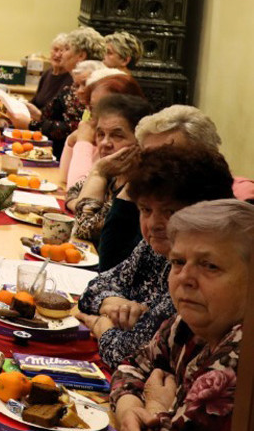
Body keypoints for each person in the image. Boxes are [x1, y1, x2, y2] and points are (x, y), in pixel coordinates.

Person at [77, 145, 234, 368]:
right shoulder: (156, 247)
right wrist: (112, 302)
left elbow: (129, 354)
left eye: (170, 212)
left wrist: (101, 325)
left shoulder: (197, 274)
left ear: (204, 212)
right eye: (146, 210)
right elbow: (96, 286)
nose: (153, 224)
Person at [110, 199, 254, 431]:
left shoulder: (243, 350)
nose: (185, 277)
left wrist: (156, 408)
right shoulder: (189, 322)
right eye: (178, 262)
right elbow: (131, 366)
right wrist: (129, 408)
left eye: (210, 266)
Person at [96, 105, 254, 270]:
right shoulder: (154, 212)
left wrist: (97, 175)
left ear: (200, 157)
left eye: (168, 155)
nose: (156, 166)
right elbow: (110, 268)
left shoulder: (217, 225)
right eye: (147, 156)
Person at [65, 94, 154, 244]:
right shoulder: (114, 173)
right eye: (100, 134)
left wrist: (98, 173)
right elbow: (73, 191)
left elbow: (85, 228)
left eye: (117, 136)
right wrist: (83, 206)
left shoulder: (138, 185)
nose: (105, 143)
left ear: (140, 141)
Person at [62, 72, 144, 188]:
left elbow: (77, 190)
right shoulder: (102, 135)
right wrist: (71, 141)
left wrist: (83, 142)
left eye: (106, 106)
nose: (97, 114)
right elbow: (65, 178)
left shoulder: (126, 146)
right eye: (92, 107)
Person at [32, 28, 106, 154]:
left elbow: (72, 128)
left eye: (66, 49)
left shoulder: (90, 87)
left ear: (81, 56)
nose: (61, 54)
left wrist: (32, 124)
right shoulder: (72, 84)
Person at [29, 33, 72, 117]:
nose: (57, 55)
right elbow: (35, 101)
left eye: (62, 51)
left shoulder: (71, 79)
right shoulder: (47, 73)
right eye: (55, 49)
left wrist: (39, 116)